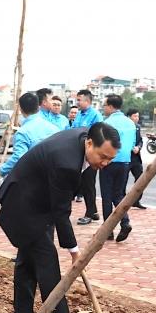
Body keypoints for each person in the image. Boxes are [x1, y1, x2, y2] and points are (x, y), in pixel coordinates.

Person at [0, 123, 121, 313]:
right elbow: (62, 212)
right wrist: (74, 251)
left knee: (27, 262)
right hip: (23, 206)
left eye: (110, 159)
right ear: (90, 143)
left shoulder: (83, 138)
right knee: (47, 259)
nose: (105, 163)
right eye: (103, 156)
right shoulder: (66, 162)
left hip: (35, 202)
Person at [98, 94, 136, 242]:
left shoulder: (107, 123)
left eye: (105, 105)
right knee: (118, 195)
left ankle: (108, 230)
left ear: (111, 106)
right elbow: (132, 144)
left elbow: (102, 144)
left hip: (109, 161)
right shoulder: (130, 123)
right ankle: (125, 221)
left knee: (107, 197)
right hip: (125, 162)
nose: (104, 108)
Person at [0, 92, 59, 177]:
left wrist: (1, 172)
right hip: (54, 176)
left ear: (21, 110)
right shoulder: (54, 128)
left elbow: (19, 157)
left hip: (33, 178)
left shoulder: (22, 133)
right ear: (38, 107)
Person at [72, 90, 103, 223]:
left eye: (79, 100)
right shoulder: (79, 114)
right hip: (80, 152)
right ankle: (93, 211)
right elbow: (73, 129)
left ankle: (90, 213)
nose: (77, 102)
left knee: (88, 183)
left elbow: (99, 134)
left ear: (87, 101)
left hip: (91, 154)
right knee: (84, 184)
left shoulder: (95, 115)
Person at [126, 109, 147, 209]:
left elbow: (140, 141)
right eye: (135, 116)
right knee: (123, 180)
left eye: (138, 116)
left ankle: (136, 200)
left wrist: (138, 147)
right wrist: (131, 148)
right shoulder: (124, 127)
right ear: (129, 117)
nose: (137, 118)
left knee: (141, 179)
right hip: (126, 157)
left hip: (136, 158)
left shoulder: (138, 127)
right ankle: (122, 202)